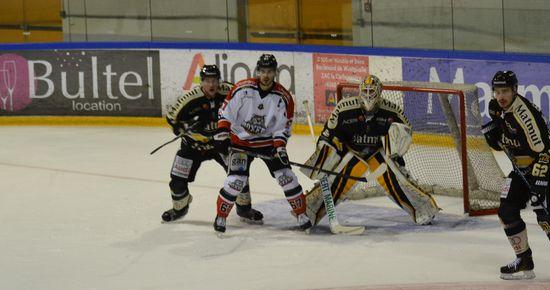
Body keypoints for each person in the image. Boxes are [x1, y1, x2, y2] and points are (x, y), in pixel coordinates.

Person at [481, 70, 550, 287]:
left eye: (505, 91)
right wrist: (495, 137)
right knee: (506, 210)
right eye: (497, 91)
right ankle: (524, 260)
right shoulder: (499, 109)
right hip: (521, 168)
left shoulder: (523, 115)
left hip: (546, 163)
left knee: (546, 216)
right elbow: (509, 142)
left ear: (514, 90)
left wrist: (539, 181)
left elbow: (545, 150)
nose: (501, 96)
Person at [301, 75, 439, 226]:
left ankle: (423, 209)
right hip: (351, 152)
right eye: (365, 91)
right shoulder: (344, 108)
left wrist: (396, 150)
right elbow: (328, 135)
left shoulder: (392, 112)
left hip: (377, 153)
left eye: (371, 91)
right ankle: (309, 211)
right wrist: (324, 155)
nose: (368, 95)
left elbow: (406, 133)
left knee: (396, 178)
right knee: (334, 181)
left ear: (379, 92)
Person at [212, 53, 310, 234]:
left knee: (287, 177)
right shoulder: (242, 89)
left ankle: (301, 214)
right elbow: (226, 113)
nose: (266, 75)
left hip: (268, 144)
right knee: (236, 181)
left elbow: (282, 127)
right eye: (263, 71)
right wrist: (223, 135)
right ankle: (221, 217)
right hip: (241, 143)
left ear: (275, 72)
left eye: (270, 71)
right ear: (258, 71)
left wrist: (279, 147)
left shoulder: (283, 97)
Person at [162, 64, 263, 225]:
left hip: (221, 144)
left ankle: (244, 208)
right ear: (201, 82)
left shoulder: (229, 91)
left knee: (239, 174)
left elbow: (247, 106)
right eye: (208, 81)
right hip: (193, 147)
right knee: (177, 182)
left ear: (219, 80)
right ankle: (179, 208)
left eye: (215, 80)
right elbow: (171, 118)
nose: (212, 85)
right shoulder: (190, 98)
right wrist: (186, 126)